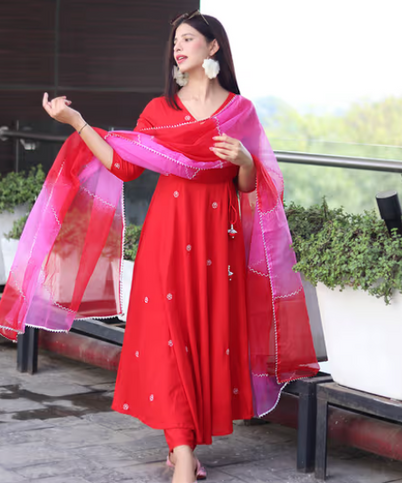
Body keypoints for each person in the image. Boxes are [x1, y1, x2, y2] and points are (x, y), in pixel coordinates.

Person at [3, 10, 318, 483]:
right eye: (175, 40)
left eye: (189, 38)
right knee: (169, 338)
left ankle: (182, 446)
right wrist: (78, 123)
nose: (178, 46)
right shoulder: (159, 111)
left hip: (219, 242)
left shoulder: (240, 111)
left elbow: (249, 187)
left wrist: (247, 159)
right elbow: (123, 165)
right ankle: (184, 454)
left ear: (213, 48)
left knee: (202, 338)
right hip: (168, 237)